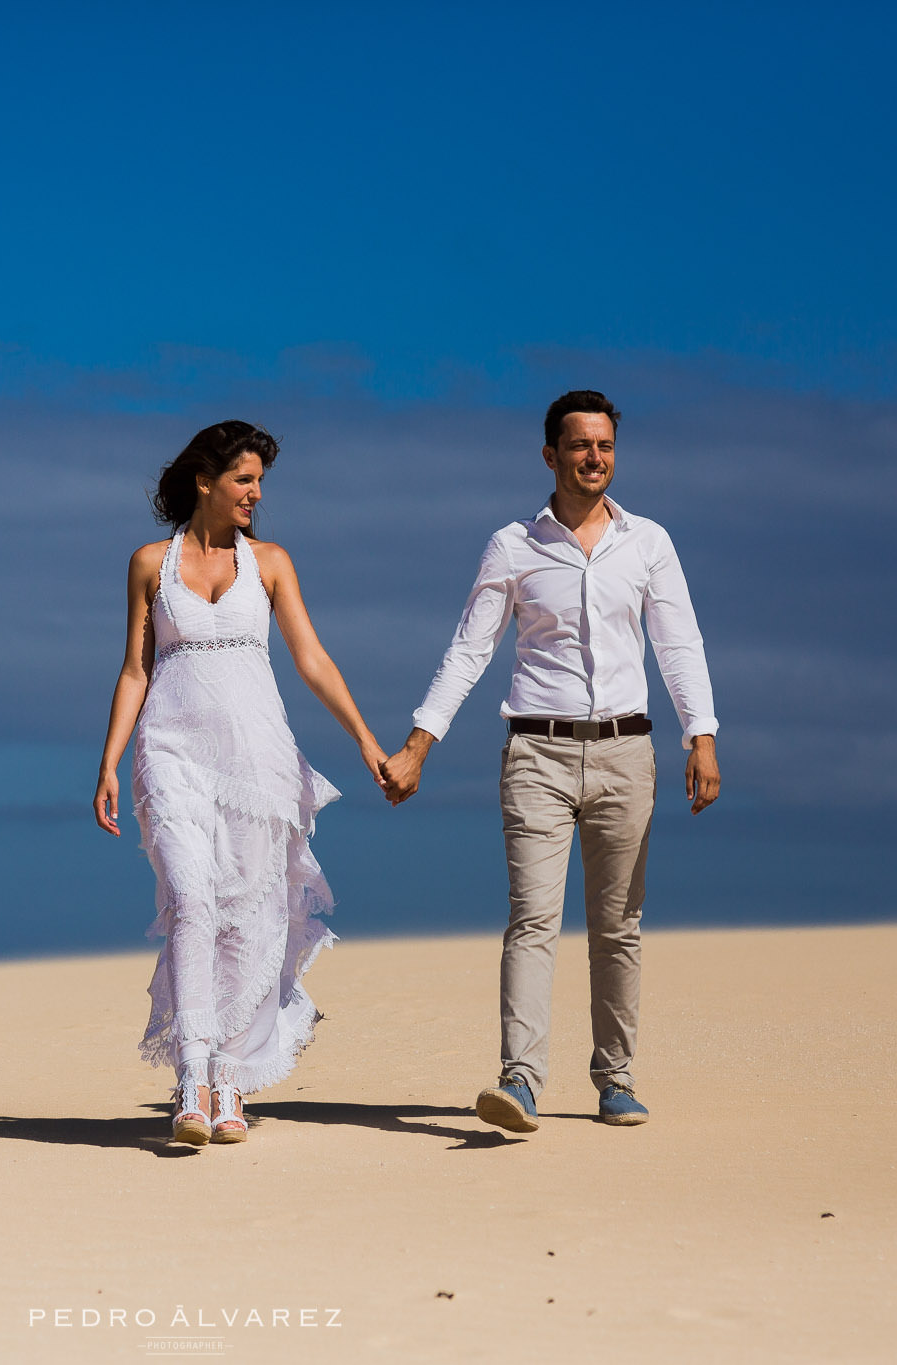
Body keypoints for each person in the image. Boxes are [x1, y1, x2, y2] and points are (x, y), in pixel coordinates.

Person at [380, 390, 721, 1132]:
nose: (594, 458)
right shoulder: (513, 545)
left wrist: (703, 734)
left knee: (617, 925)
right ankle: (521, 1080)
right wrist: (418, 743)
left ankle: (616, 1078)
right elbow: (470, 649)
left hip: (628, 752)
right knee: (533, 919)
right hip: (536, 751)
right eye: (579, 446)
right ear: (550, 455)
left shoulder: (648, 542)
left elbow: (678, 642)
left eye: (604, 446)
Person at [95, 420, 389, 1147]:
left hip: (259, 763)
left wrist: (366, 738)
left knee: (247, 919)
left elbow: (312, 659)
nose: (257, 493)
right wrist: (108, 759)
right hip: (172, 754)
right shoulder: (148, 564)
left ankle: (228, 1076)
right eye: (244, 479)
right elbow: (136, 670)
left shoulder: (273, 563)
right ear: (206, 480)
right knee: (192, 899)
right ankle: (192, 1074)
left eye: (260, 481)